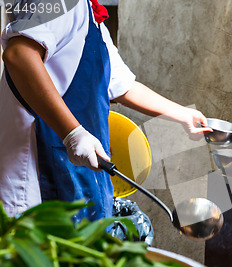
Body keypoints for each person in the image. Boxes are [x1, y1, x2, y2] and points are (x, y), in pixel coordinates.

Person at [0, 0, 212, 221]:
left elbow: (121, 86)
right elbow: (19, 55)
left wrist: (182, 115)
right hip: (36, 165)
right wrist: (73, 133)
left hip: (68, 164)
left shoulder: (91, 19)